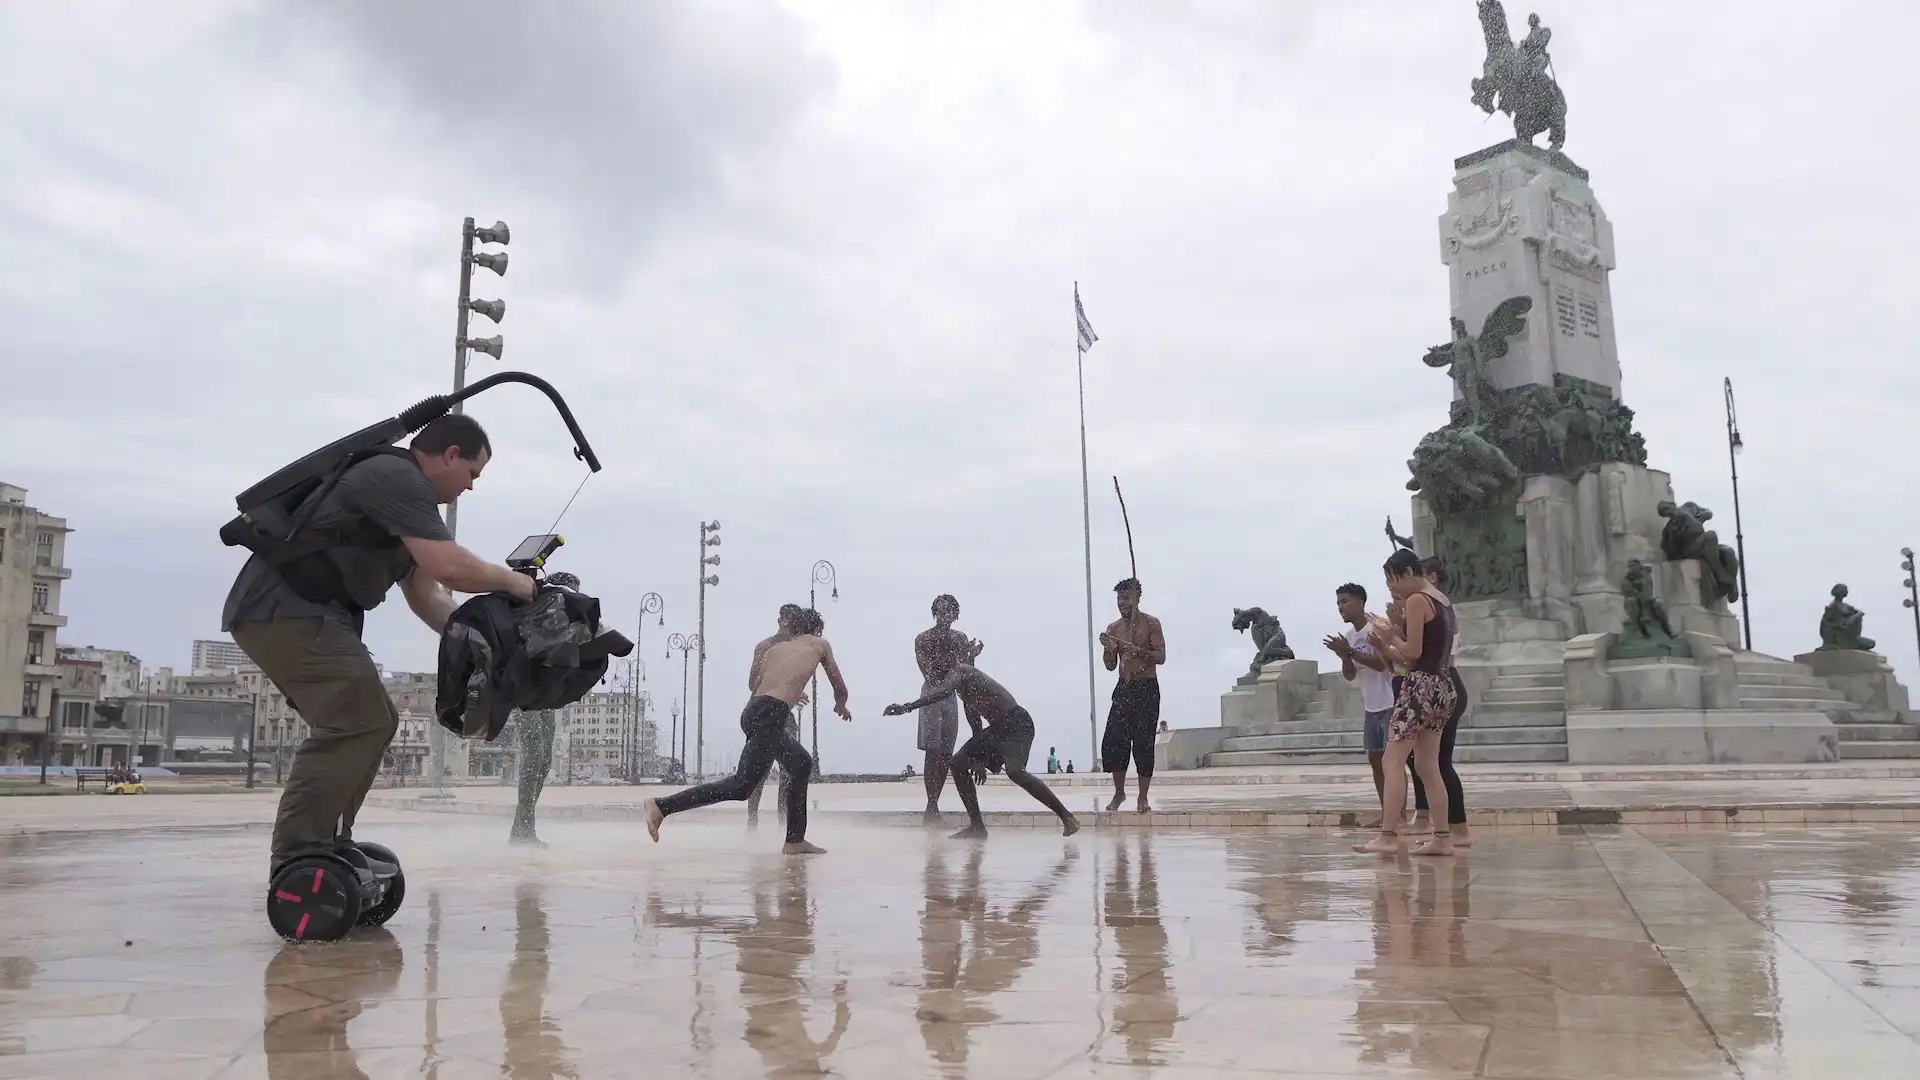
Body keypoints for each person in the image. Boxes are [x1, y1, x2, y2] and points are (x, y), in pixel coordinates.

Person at [224, 413, 537, 879]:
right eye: (472, 473)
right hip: (283, 609)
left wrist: (490, 644)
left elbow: (429, 595)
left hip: (308, 613)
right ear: (451, 455)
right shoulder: (396, 477)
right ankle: (296, 859)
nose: (471, 487)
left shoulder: (409, 503)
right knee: (355, 721)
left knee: (375, 721)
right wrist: (517, 584)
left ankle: (327, 846)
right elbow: (451, 568)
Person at [644, 608, 848, 854]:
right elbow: (838, 683)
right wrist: (841, 704)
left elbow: (755, 683)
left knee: (800, 763)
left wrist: (786, 685)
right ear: (816, 631)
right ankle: (661, 806)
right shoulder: (820, 644)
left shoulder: (773, 650)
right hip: (771, 714)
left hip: (753, 710)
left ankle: (795, 839)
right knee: (741, 787)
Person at [883, 657, 1080, 840]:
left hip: (1016, 722)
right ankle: (977, 826)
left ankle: (1066, 816)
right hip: (997, 729)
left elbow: (943, 692)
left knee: (1015, 772)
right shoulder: (963, 690)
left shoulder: (959, 670)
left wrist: (908, 706)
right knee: (958, 764)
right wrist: (978, 759)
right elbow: (976, 724)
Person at [1354, 549, 1457, 857]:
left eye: (1393, 581)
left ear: (1409, 573)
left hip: (1420, 688)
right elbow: (1417, 656)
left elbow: (1411, 653)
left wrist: (1388, 632)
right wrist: (1385, 645)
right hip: (1443, 686)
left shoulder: (1416, 601)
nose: (1393, 590)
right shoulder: (1444, 601)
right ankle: (1442, 837)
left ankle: (1387, 835)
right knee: (1428, 765)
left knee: (1392, 761)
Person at [506, 571, 582, 847]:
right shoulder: (537, 612)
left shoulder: (565, 619)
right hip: (526, 693)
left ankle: (524, 826)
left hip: (547, 695)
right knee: (533, 754)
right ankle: (522, 829)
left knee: (545, 759)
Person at [1406, 558, 1471, 846]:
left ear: (1431, 576)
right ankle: (1450, 830)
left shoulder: (1435, 608)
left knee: (1437, 762)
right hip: (1448, 681)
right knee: (1433, 762)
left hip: (1441, 680)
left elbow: (1417, 653)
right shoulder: (1444, 608)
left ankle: (1455, 831)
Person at [1321, 582, 1397, 830]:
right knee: (1375, 761)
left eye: (1344, 602)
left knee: (1392, 763)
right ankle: (1387, 813)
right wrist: (1345, 655)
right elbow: (1350, 675)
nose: (1340, 608)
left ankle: (1400, 816)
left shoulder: (1377, 628)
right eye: (1338, 604)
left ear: (1361, 602)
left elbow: (1381, 664)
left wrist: (1350, 652)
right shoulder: (1351, 637)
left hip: (1389, 703)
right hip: (1371, 707)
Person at [913, 595, 983, 823]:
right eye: (941, 611)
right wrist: (955, 658)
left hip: (950, 695)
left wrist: (970, 657)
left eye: (949, 611)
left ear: (955, 614)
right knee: (932, 750)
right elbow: (929, 672)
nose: (945, 615)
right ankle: (931, 806)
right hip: (932, 694)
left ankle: (933, 805)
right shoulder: (923, 638)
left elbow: (965, 671)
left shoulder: (960, 638)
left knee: (945, 751)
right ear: (935, 612)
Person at [1099, 578, 1166, 813]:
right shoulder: (1114, 628)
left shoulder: (1151, 623)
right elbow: (1109, 665)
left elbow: (1161, 657)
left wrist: (1137, 651)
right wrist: (1109, 649)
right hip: (1124, 688)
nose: (1122, 603)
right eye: (1119, 598)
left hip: (1146, 688)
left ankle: (1143, 797)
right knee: (1115, 741)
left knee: (1143, 743)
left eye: (1126, 598)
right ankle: (1119, 793)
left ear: (1137, 598)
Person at [746, 605, 807, 829]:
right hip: (761, 712)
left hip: (785, 713)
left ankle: (784, 824)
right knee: (757, 770)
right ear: (780, 620)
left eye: (796, 623)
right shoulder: (764, 647)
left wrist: (794, 691)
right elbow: (753, 684)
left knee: (789, 771)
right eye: (790, 622)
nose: (792, 627)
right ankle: (752, 822)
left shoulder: (798, 648)